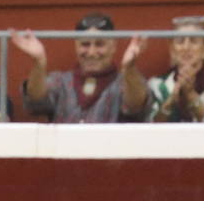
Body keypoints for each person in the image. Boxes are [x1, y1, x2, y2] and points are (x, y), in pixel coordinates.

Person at [12, 13, 148, 123]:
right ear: (76, 46)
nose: (91, 52)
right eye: (85, 44)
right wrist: (39, 63)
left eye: (100, 44)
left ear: (114, 46)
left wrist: (129, 67)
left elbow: (135, 105)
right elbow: (36, 99)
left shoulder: (126, 81)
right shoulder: (60, 81)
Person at [146, 16, 204, 123]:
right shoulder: (157, 85)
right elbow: (153, 128)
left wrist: (191, 95)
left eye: (193, 41)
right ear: (172, 49)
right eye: (180, 41)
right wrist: (171, 100)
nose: (186, 47)